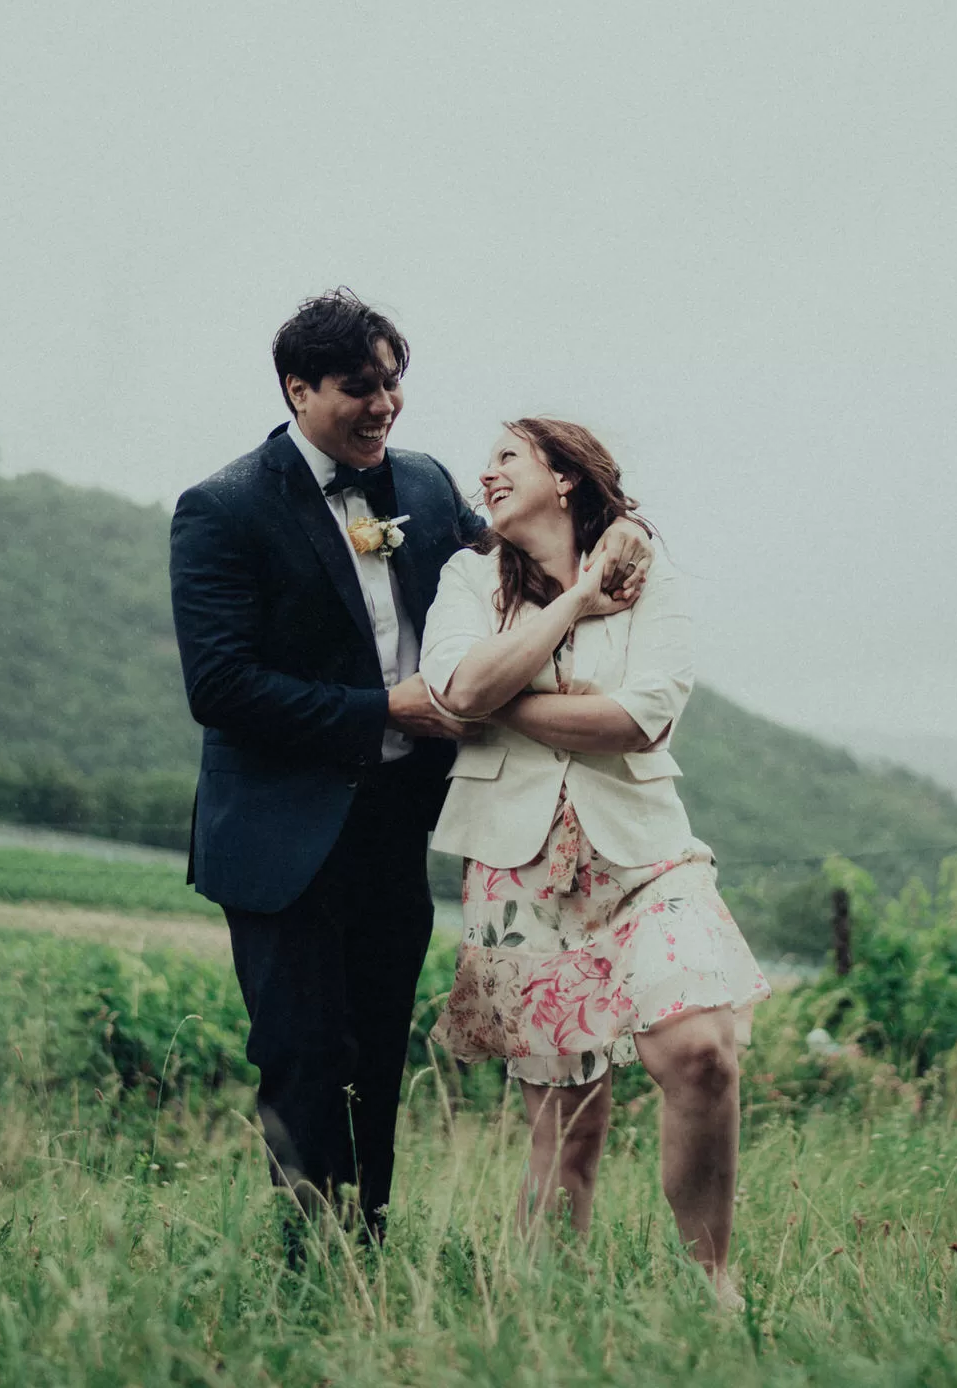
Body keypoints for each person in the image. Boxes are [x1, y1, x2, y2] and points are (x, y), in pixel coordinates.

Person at [167, 291, 654, 1251]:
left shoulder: (426, 486)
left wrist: (623, 532)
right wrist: (379, 710)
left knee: (377, 1052)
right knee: (304, 1054)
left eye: (395, 382)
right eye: (361, 387)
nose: (386, 404)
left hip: (396, 830)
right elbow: (220, 687)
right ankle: (312, 1263)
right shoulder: (221, 509)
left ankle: (368, 1251)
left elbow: (528, 557)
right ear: (298, 388)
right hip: (280, 838)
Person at [423, 417, 767, 1307]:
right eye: (486, 460)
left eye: (508, 455)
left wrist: (502, 700)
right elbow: (455, 687)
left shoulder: (648, 575)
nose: (486, 472)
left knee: (701, 1052)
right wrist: (571, 609)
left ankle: (712, 1286)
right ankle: (550, 1315)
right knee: (567, 1126)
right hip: (517, 871)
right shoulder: (468, 577)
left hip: (644, 857)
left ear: (565, 476)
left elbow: (641, 717)